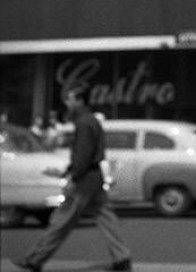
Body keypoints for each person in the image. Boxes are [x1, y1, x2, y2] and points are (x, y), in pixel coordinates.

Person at [14, 85, 132, 272]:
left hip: (84, 179)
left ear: (79, 101)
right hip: (95, 176)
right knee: (105, 218)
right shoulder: (92, 120)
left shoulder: (83, 123)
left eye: (70, 99)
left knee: (61, 220)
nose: (67, 103)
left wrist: (73, 176)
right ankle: (122, 258)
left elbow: (82, 155)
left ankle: (35, 259)